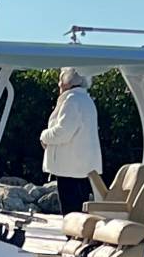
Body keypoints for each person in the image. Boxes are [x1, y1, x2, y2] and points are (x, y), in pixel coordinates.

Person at [39, 67, 103, 215]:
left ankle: (72, 237)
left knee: (70, 210)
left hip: (70, 168)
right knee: (80, 207)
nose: (59, 85)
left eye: (61, 80)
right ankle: (79, 237)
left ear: (68, 82)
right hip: (82, 167)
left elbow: (63, 132)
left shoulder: (72, 101)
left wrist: (44, 136)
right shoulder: (86, 100)